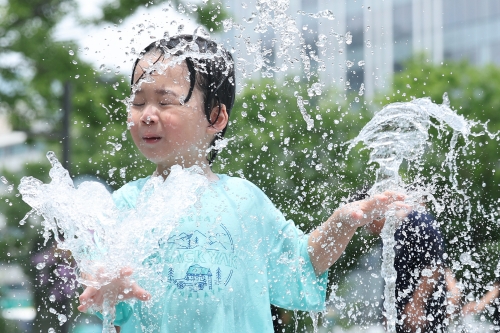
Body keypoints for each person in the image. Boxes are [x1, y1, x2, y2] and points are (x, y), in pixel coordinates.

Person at [76, 34, 409, 333]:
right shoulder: (126, 205)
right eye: (137, 102)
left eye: (165, 102)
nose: (147, 114)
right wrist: (108, 287)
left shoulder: (244, 201)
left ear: (216, 117)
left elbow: (299, 265)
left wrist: (342, 221)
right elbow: (104, 296)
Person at [364, 202, 447, 333]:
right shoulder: (388, 231)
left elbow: (434, 266)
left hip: (426, 308)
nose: (368, 229)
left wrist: (417, 304)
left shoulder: (419, 222)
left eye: (367, 223)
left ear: (377, 214)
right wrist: (388, 309)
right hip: (400, 308)